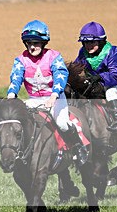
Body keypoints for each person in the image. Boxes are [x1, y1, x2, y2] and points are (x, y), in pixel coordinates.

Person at [6, 20, 87, 168]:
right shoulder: (20, 60)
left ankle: (78, 147)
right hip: (33, 100)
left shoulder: (54, 57)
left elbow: (60, 76)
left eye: (36, 43)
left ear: (43, 43)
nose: (32, 47)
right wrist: (11, 94)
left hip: (55, 98)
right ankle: (20, 153)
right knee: (17, 123)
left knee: (62, 124)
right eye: (29, 43)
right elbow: (16, 79)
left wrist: (54, 95)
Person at [75, 21, 117, 135]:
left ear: (101, 41)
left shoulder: (113, 52)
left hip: (111, 82)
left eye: (92, 42)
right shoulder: (83, 52)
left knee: (110, 93)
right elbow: (77, 66)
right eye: (85, 42)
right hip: (93, 82)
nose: (88, 45)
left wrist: (100, 77)